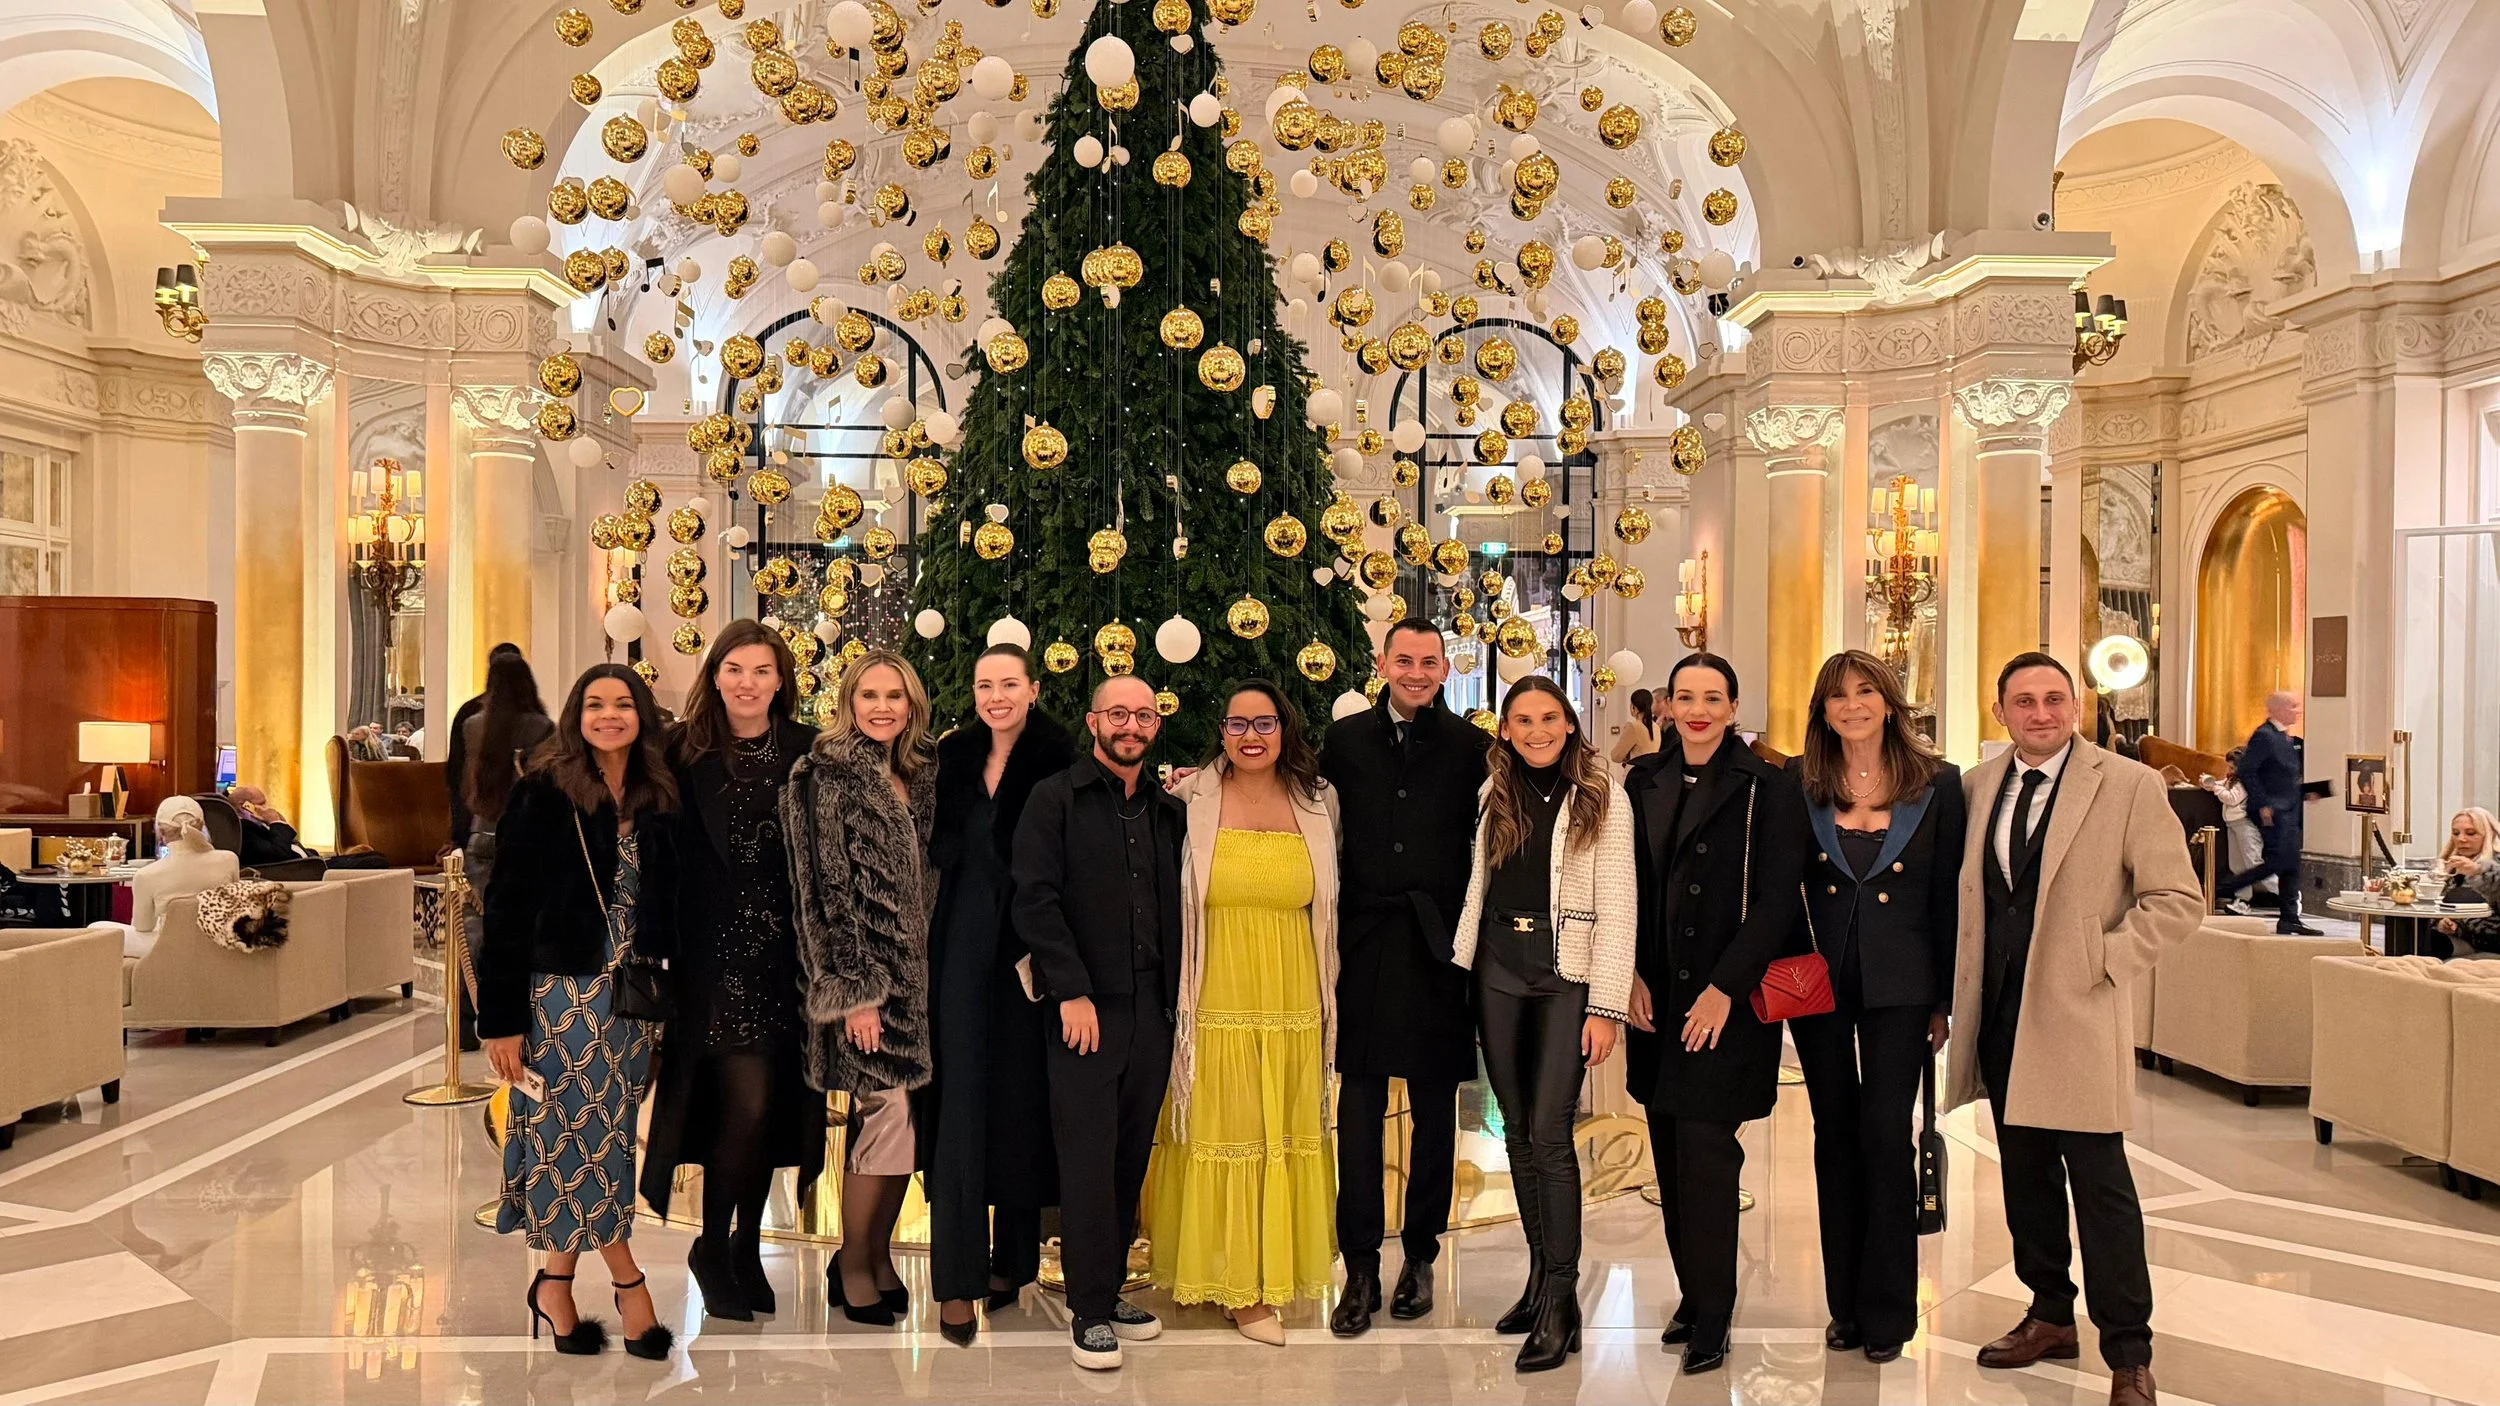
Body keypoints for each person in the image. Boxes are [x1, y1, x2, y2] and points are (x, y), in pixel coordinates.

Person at [1946, 652, 2203, 1406]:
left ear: (2077, 705)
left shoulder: (2128, 784)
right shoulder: (1977, 786)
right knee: (2024, 1178)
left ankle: (2129, 1351)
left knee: (2101, 1185)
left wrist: (2106, 961)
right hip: (2000, 1013)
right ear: (2002, 713)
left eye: (2055, 699)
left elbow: (2176, 898)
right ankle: (2049, 1313)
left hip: (2077, 1011)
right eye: (2024, 701)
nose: (2041, 713)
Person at [478, 663, 680, 1361]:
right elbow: (501, 910)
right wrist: (499, 1020)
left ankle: (554, 1285)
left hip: (633, 1000)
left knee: (603, 1136)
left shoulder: (658, 791)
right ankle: (631, 1287)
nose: (609, 716)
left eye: (623, 704)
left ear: (642, 715)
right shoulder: (543, 792)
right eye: (595, 705)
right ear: (575, 715)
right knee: (579, 1135)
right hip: (562, 997)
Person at [1623, 652, 1807, 1375]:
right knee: (1668, 1154)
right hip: (1657, 997)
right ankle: (1694, 1295)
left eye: (1714, 697)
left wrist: (1726, 988)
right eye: (1685, 696)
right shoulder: (1643, 781)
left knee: (1706, 1154)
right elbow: (1627, 884)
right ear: (1666, 706)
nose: (1698, 709)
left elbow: (1776, 899)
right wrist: (1629, 974)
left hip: (1725, 1002)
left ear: (1733, 708)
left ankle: (1716, 1311)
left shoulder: (1770, 786)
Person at [1147, 680, 1342, 1344]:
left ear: (1285, 730)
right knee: (1223, 1129)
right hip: (1215, 997)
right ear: (1221, 731)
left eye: (1264, 723)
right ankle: (1236, 1285)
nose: (1251, 736)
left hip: (1293, 999)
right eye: (1238, 724)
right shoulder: (1188, 796)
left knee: (1280, 1134)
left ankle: (1267, 1275)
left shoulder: (1319, 802)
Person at [1450, 675, 1635, 1372]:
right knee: (1519, 1132)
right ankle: (1537, 1278)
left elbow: (1621, 902)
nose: (1536, 731)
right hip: (1498, 960)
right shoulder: (1490, 791)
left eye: (1549, 718)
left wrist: (1606, 1006)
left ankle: (1563, 1300)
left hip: (1566, 972)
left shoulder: (1599, 794)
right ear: (1504, 729)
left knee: (1552, 1134)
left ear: (1569, 723)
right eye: (1522, 720)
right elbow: (1480, 881)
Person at [641, 621, 824, 1323]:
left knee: (773, 1109)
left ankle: (746, 1243)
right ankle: (713, 1245)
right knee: (741, 1105)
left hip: (788, 961)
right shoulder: (682, 752)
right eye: (735, 669)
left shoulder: (809, 752)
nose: (748, 682)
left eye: (762, 670)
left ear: (781, 680)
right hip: (712, 960)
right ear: (715, 676)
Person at [1789, 651, 1965, 1363]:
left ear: (1889, 702)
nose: (1852, 705)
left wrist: (1944, 997)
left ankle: (1888, 1310)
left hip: (1904, 986)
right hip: (1815, 986)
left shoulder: (1938, 785)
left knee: (1885, 1134)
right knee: (1833, 1133)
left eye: (1866, 691)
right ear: (1822, 710)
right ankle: (1845, 1306)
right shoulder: (1798, 785)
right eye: (1837, 696)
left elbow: (1950, 895)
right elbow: (1780, 889)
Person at [1318, 617, 1488, 1337]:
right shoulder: (1346, 741)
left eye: (1429, 661)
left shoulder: (1475, 749)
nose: (1416, 672)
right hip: (1362, 944)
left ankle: (1420, 1255)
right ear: (1382, 665)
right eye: (1403, 660)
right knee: (1355, 1111)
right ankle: (1359, 1265)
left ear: (1444, 669)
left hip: (1436, 949)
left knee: (1432, 1113)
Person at [1012, 674, 1184, 1370]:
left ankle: (1109, 1291)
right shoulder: (1054, 799)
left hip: (1154, 1008)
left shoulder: (1169, 812)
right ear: (1093, 721)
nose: (1131, 726)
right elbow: (1035, 900)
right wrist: (1071, 992)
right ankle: (1087, 1310)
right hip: (1087, 1009)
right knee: (1085, 1158)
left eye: (1144, 715)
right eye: (1119, 713)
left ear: (1155, 727)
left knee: (1128, 1157)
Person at [920, 643, 1075, 1343]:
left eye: (1009, 683)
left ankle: (1013, 1263)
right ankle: (955, 1279)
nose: (996, 695)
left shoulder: (1061, 755)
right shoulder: (951, 756)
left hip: (1030, 953)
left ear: (1033, 688)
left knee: (1021, 1099)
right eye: (986, 685)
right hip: (957, 946)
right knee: (960, 1107)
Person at [785, 648, 937, 1325]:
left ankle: (876, 1255)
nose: (882, 707)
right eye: (869, 695)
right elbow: (821, 891)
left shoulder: (920, 774)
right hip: (868, 984)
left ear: (912, 705)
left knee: (905, 1124)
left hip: (921, 985)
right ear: (848, 701)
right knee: (887, 1118)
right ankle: (852, 1263)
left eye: (894, 696)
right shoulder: (824, 775)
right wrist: (856, 990)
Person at [2216, 692, 2322, 934]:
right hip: (2273, 813)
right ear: (2278, 709)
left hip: (2289, 809)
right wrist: (2263, 804)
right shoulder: (2264, 736)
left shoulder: (2286, 739)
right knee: (2279, 861)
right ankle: (2226, 887)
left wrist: (2308, 792)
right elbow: (2247, 771)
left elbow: (2281, 779)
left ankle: (2289, 918)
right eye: (2293, 706)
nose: (2298, 710)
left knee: (2290, 865)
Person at [460, 651, 555, 895]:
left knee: (480, 916)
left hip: (481, 828)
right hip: (527, 833)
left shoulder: (472, 726)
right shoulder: (541, 727)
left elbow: (462, 780)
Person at [126, 796, 240, 960]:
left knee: (99, 928)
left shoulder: (146, 875)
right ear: (201, 826)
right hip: (219, 942)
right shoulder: (229, 859)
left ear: (161, 832)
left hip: (171, 946)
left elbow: (143, 927)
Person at [448, 642, 527, 843]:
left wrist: (459, 834)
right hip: (515, 814)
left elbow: (456, 774)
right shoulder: (535, 716)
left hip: (480, 813)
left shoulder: (469, 712)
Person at [2434, 807, 2500, 958]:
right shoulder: (2450, 866)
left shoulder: (2494, 864)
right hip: (2459, 938)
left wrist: (2479, 871)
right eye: (2456, 833)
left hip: (2491, 941)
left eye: (2471, 833)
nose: (2461, 839)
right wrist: (2442, 923)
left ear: (2488, 834)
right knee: (2412, 934)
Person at [227, 785, 312, 868]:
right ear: (243, 806)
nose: (266, 808)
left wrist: (280, 823)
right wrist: (275, 822)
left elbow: (289, 845)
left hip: (306, 865)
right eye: (261, 804)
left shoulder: (258, 824)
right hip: (291, 872)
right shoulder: (243, 829)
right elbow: (279, 855)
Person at [1610, 687, 1660, 766]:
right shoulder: (1656, 727)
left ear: (1633, 707)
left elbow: (1616, 756)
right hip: (1651, 773)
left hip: (1635, 773)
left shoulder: (1633, 726)